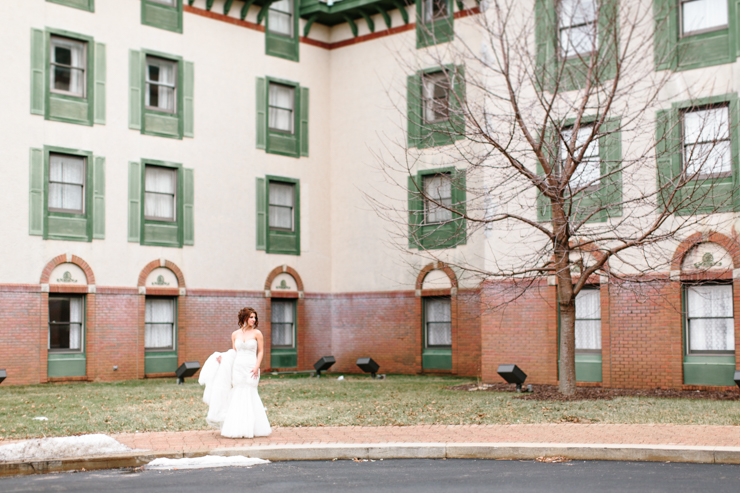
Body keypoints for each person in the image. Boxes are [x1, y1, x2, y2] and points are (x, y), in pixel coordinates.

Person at [199, 307, 272, 438]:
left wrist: (257, 366)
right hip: (238, 368)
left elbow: (260, 351)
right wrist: (224, 359)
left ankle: (254, 427)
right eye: (251, 317)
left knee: (250, 393)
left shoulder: (257, 333)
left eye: (255, 317)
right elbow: (234, 353)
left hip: (251, 366)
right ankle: (237, 427)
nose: (253, 320)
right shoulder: (235, 334)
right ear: (244, 318)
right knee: (237, 394)